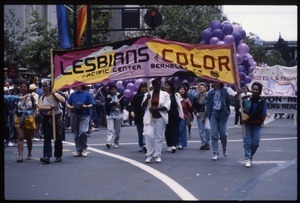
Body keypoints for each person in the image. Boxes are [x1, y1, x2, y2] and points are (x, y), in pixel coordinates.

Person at [142, 77, 170, 163]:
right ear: (152, 85)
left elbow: (166, 106)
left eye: (158, 84)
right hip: (149, 118)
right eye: (155, 85)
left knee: (159, 138)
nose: (157, 86)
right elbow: (143, 106)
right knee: (148, 135)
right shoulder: (148, 94)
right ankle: (149, 154)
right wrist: (147, 99)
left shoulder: (165, 94)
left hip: (160, 118)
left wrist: (156, 109)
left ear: (160, 85)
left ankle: (157, 155)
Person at [38, 79, 66, 164]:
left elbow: (63, 100)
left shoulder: (55, 95)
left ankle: (58, 155)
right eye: (42, 86)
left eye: (45, 86)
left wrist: (55, 93)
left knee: (58, 137)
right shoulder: (42, 97)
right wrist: (49, 108)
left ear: (49, 86)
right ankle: (47, 156)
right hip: (47, 118)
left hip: (57, 118)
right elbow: (40, 107)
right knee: (47, 137)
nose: (43, 88)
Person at [204, 81, 232, 161]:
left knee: (223, 134)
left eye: (217, 82)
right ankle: (215, 152)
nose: (215, 84)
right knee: (214, 134)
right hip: (213, 113)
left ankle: (224, 148)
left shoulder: (225, 91)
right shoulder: (210, 92)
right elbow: (206, 101)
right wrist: (208, 108)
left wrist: (227, 110)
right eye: (214, 82)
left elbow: (229, 101)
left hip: (223, 113)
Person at [241, 82, 267, 168]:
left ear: (259, 91)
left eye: (257, 89)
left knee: (255, 143)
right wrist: (238, 97)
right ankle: (247, 158)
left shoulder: (262, 101)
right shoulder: (246, 99)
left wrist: (247, 118)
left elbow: (258, 112)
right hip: (247, 124)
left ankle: (250, 155)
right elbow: (239, 106)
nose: (255, 91)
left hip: (257, 124)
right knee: (247, 142)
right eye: (253, 89)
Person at [66, 85, 95, 157]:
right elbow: (68, 104)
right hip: (75, 114)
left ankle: (84, 148)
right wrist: (71, 107)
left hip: (85, 114)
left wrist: (86, 106)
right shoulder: (72, 94)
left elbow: (92, 104)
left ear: (81, 86)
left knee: (83, 132)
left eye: (77, 85)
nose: (76, 87)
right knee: (76, 133)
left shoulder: (87, 94)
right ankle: (78, 149)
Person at [14, 80, 37, 162]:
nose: (23, 88)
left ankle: (29, 153)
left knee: (28, 138)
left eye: (24, 86)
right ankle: (20, 156)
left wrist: (33, 116)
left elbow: (35, 108)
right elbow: (15, 108)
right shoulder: (17, 97)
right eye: (22, 86)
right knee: (20, 137)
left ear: (28, 88)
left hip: (28, 119)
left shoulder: (31, 97)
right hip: (19, 118)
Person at [105, 84, 125, 149]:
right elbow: (107, 105)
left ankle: (116, 142)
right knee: (110, 129)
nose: (113, 91)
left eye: (114, 89)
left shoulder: (120, 95)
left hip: (118, 114)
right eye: (112, 89)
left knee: (117, 130)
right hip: (110, 115)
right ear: (110, 90)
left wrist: (120, 106)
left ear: (116, 89)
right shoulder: (108, 96)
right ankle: (108, 142)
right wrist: (114, 103)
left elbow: (123, 104)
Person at [130, 82, 148, 152]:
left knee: (147, 131)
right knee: (140, 131)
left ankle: (146, 144)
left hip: (147, 115)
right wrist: (132, 111)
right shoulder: (136, 96)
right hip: (138, 115)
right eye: (143, 87)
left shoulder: (149, 96)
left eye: (146, 87)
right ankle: (141, 144)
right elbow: (132, 105)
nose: (145, 89)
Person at [193, 82, 210, 150]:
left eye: (202, 87)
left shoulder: (208, 96)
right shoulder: (196, 96)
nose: (201, 88)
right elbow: (193, 106)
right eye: (199, 87)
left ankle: (207, 142)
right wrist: (196, 112)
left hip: (207, 114)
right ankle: (203, 143)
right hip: (199, 113)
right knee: (201, 130)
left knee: (207, 128)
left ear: (205, 88)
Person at [163, 80, 179, 153]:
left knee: (174, 129)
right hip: (165, 114)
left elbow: (179, 104)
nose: (166, 87)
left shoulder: (175, 95)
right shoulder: (162, 94)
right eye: (165, 85)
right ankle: (169, 144)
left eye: (168, 85)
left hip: (174, 114)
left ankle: (174, 145)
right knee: (167, 130)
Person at [175, 84, 193, 150]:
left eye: (183, 89)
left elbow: (190, 107)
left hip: (184, 116)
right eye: (181, 89)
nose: (182, 90)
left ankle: (180, 143)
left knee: (181, 129)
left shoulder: (186, 99)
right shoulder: (176, 97)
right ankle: (182, 143)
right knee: (180, 130)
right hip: (177, 116)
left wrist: (187, 102)